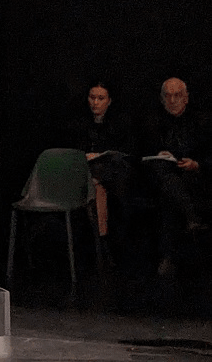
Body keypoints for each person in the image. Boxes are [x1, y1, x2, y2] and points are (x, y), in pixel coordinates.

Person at [140, 77, 211, 276]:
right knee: (162, 174)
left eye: (177, 95)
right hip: (163, 177)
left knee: (169, 193)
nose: (172, 100)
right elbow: (144, 154)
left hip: (192, 177)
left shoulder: (201, 122)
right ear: (162, 100)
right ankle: (191, 219)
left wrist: (196, 164)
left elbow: (207, 154)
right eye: (168, 96)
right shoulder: (152, 122)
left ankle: (168, 257)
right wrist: (161, 154)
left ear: (186, 98)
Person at [67, 79, 137, 263]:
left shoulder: (120, 122)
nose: (95, 103)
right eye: (92, 97)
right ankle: (102, 242)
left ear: (109, 101)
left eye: (100, 98)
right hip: (82, 173)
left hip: (113, 173)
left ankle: (105, 242)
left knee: (105, 179)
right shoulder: (79, 123)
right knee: (96, 183)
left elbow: (125, 153)